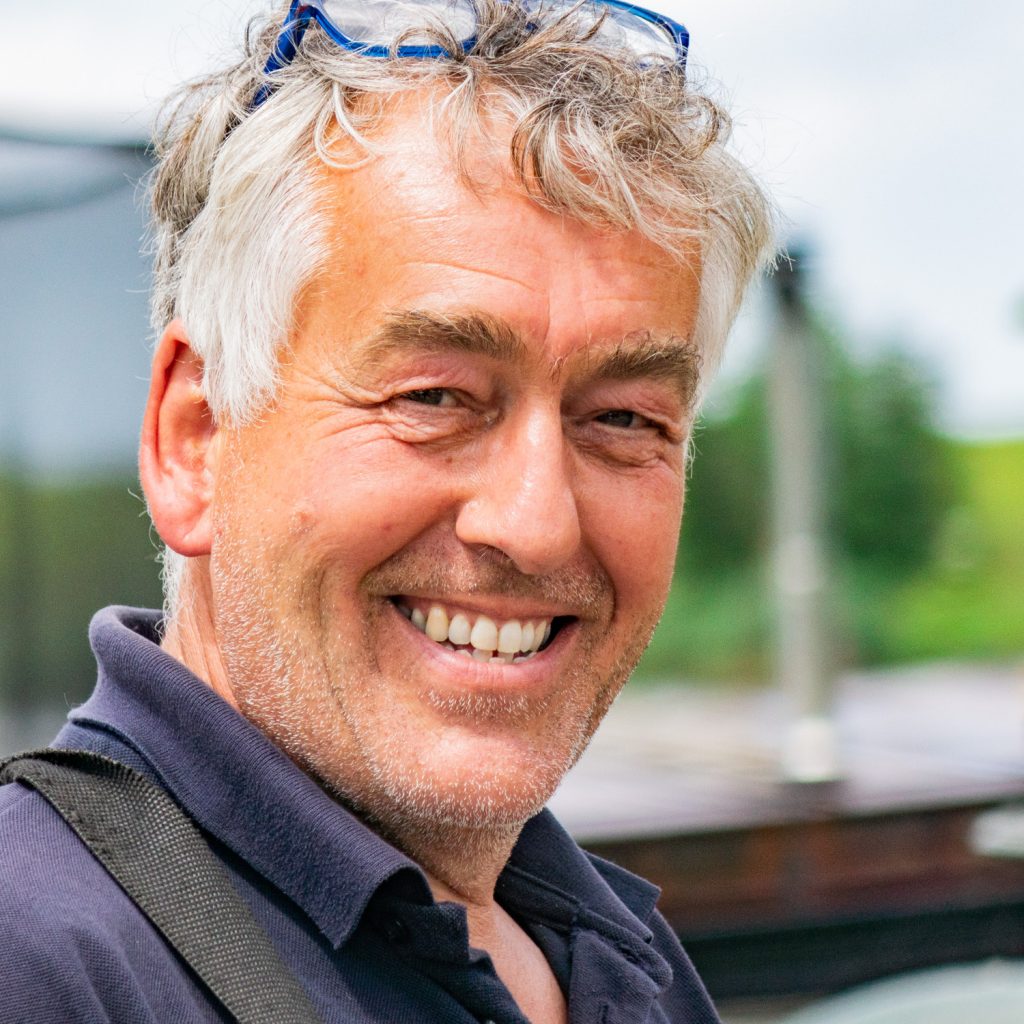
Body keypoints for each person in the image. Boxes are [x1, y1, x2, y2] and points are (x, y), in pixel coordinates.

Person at [0, 1, 772, 1020]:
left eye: (623, 418)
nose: (536, 523)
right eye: (435, 397)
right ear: (196, 438)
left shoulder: (622, 964)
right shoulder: (40, 964)